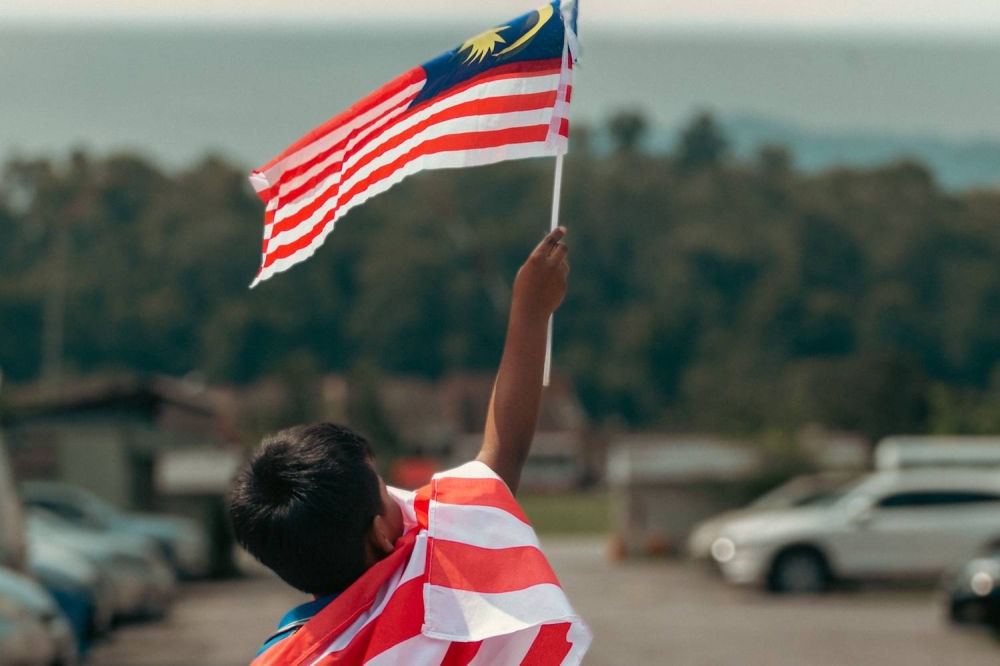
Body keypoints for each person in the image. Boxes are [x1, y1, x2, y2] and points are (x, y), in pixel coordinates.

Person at [230, 227, 591, 666]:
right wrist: (531, 310)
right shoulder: (433, 573)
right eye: (385, 490)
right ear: (382, 535)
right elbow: (504, 452)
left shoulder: (282, 659)